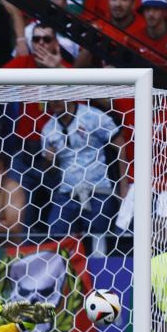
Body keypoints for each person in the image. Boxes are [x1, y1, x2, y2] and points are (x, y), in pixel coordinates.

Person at [41, 100, 123, 238]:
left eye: (60, 96)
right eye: (51, 98)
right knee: (55, 237)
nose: (55, 101)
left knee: (97, 240)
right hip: (67, 194)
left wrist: (123, 186)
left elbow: (120, 146)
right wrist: (49, 160)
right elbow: (50, 171)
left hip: (99, 191)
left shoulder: (93, 116)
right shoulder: (48, 129)